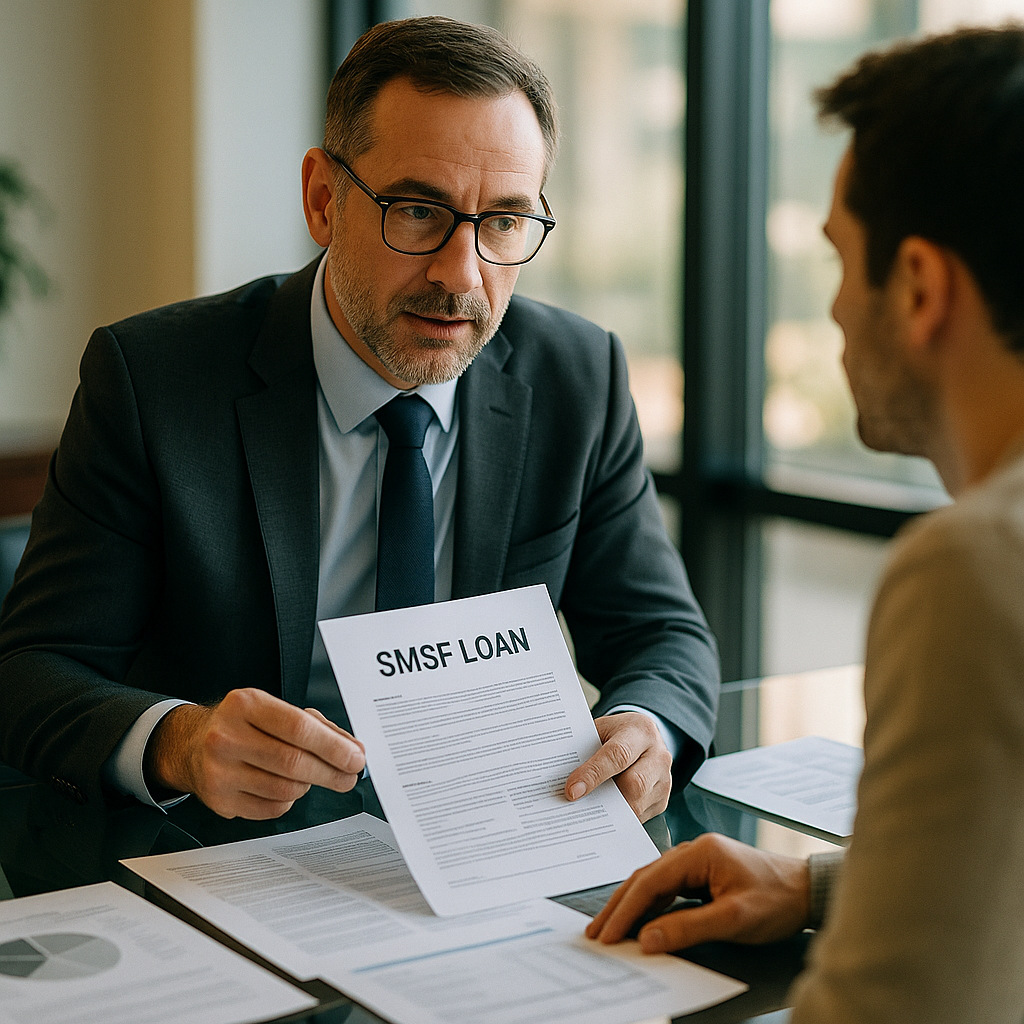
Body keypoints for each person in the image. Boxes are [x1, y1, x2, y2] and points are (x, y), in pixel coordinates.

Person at [0, 17, 719, 823]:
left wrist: (646, 729)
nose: (462, 277)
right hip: (222, 857)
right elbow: (32, 668)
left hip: (479, 842)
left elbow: (663, 635)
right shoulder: (153, 380)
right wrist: (182, 743)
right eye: (417, 211)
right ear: (322, 200)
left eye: (505, 223)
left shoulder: (577, 376)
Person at [588, 24, 1024, 1024]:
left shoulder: (973, 569)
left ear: (917, 286)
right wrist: (818, 887)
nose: (831, 311)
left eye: (839, 259)